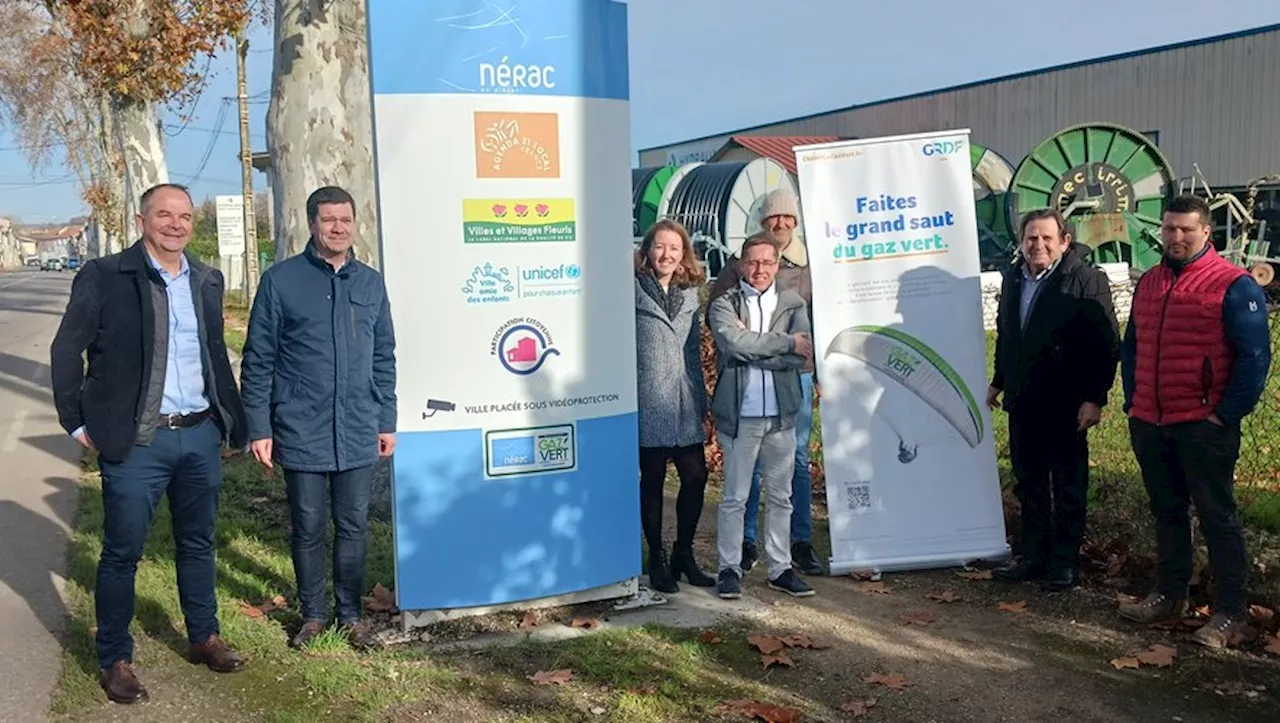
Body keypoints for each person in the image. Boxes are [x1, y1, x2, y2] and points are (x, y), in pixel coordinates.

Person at [50, 183, 249, 705]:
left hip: (199, 434)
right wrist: (74, 422)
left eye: (184, 216)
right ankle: (115, 657)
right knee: (122, 552)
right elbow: (66, 351)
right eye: (165, 215)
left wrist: (234, 426)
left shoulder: (207, 280)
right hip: (139, 440)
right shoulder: (104, 276)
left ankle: (204, 636)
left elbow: (213, 357)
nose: (176, 224)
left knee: (198, 543)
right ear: (143, 220)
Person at [239, 186, 398, 651]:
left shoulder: (370, 283)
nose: (338, 228)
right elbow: (258, 359)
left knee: (352, 526)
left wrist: (385, 418)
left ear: (354, 223)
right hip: (300, 425)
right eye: (329, 220)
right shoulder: (281, 281)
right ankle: (312, 615)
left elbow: (383, 355)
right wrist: (259, 426)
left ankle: (350, 615)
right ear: (311, 224)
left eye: (345, 219)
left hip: (357, 426)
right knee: (308, 526)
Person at [1117, 194, 1271, 648]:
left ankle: (1230, 612)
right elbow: (1132, 348)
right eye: (1169, 229)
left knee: (1216, 517)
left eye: (1186, 229)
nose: (1176, 237)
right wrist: (1133, 401)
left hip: (1203, 425)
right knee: (1166, 513)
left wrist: (1224, 416)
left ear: (1206, 231)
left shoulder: (1234, 284)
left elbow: (1254, 357)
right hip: (1151, 420)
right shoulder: (1149, 282)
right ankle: (1168, 593)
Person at [987, 209, 1121, 592]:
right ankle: (1033, 556)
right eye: (1031, 238)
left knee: (1066, 484)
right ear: (1021, 241)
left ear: (1064, 241)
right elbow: (1008, 334)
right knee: (1028, 482)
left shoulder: (1085, 280)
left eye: (1047, 238)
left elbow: (1106, 343)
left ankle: (1063, 563)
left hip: (1066, 402)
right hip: (1023, 399)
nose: (1038, 245)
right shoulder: (1014, 278)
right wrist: (998, 382)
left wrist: (1095, 398)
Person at [709, 188, 822, 576]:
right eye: (753, 262)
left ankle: (789, 555)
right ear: (743, 265)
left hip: (788, 400)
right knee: (740, 489)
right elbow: (731, 342)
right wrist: (786, 343)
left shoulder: (800, 286)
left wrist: (760, 348)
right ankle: (737, 556)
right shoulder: (729, 288)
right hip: (741, 404)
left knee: (788, 483)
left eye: (767, 263)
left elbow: (801, 352)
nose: (760, 269)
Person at [634, 218, 716, 593]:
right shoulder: (631, 291)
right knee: (652, 481)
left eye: (674, 248)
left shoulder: (689, 295)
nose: (666, 254)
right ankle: (657, 557)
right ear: (648, 251)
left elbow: (693, 354)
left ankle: (684, 552)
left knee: (695, 476)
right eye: (660, 247)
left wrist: (702, 402)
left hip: (682, 399)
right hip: (647, 397)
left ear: (684, 255)